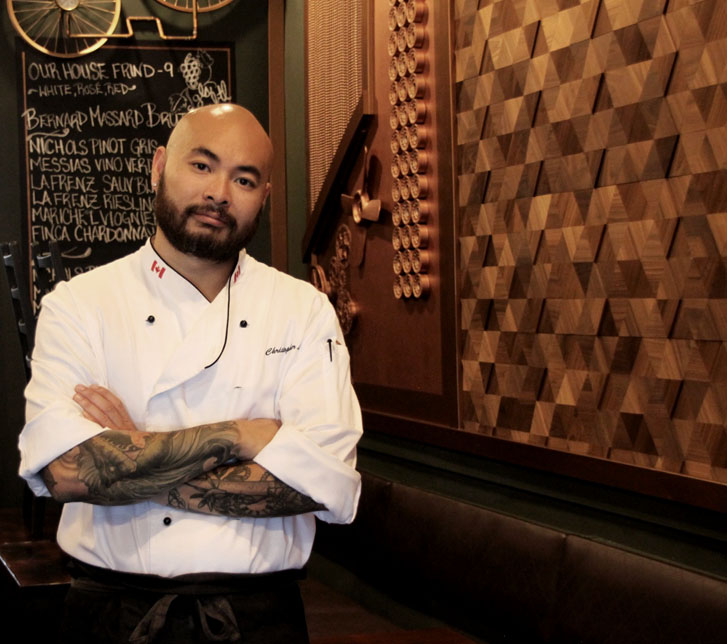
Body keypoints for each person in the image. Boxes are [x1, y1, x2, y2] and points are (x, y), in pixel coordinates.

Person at [18, 103, 363, 643]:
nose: (220, 192)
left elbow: (320, 486)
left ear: (264, 197)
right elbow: (66, 472)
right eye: (202, 166)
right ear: (159, 167)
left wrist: (128, 455)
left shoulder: (303, 310)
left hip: (257, 619)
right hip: (111, 615)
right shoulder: (80, 304)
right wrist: (242, 435)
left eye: (244, 178)